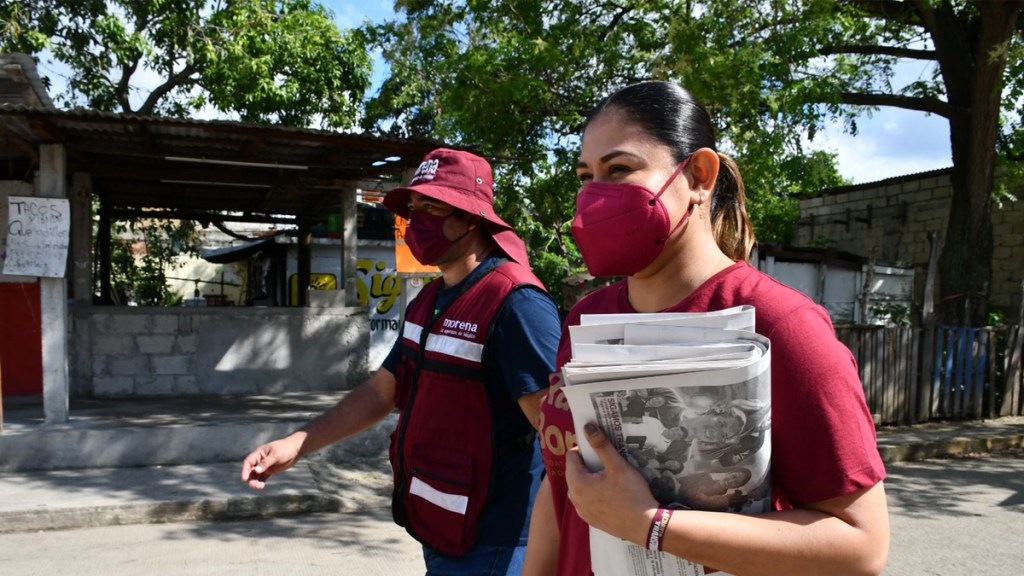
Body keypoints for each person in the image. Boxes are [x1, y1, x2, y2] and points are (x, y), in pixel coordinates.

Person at [524, 81, 889, 575]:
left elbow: (861, 546)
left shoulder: (783, 326)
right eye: (586, 176)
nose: (593, 197)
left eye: (619, 170)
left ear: (699, 174)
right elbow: (564, 484)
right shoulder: (585, 320)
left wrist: (651, 524)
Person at [242, 148, 562, 575]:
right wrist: (297, 444)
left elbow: (560, 434)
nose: (417, 221)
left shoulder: (515, 302)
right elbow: (382, 390)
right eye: (413, 209)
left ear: (470, 218)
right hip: (440, 525)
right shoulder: (430, 300)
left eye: (431, 207)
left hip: (496, 542)